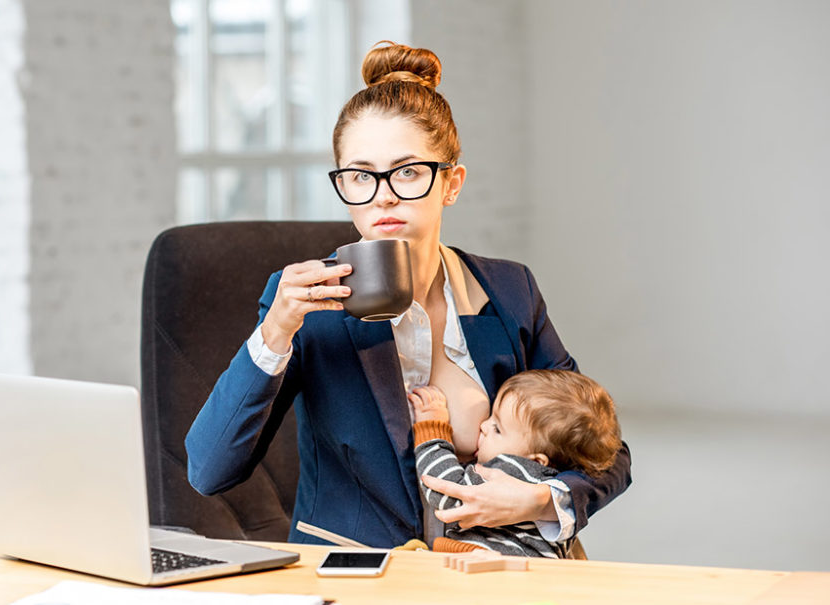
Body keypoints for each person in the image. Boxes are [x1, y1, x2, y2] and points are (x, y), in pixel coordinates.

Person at [185, 41, 631, 548]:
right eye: (360, 176)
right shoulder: (307, 305)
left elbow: (605, 451)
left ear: (451, 183)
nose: (383, 195)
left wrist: (538, 500)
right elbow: (208, 469)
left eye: (408, 171)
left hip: (494, 573)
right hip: (361, 575)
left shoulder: (509, 292)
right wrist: (276, 332)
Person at [410, 370, 622, 557]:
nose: (483, 426)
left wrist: (432, 428)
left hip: (492, 569)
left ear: (536, 460)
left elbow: (447, 492)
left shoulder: (513, 470)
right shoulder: (552, 477)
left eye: (497, 428)